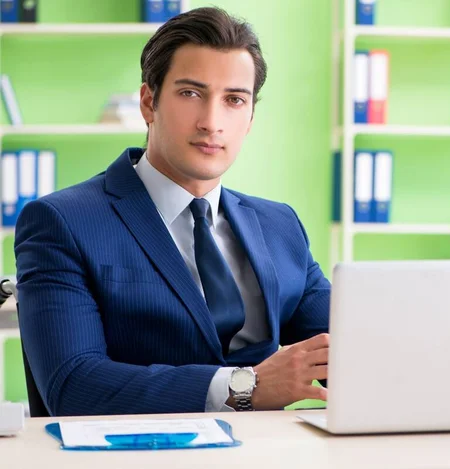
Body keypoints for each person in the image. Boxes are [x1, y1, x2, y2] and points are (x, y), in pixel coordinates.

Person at [14, 6, 330, 416]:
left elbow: (351, 346)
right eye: (191, 93)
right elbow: (73, 384)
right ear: (149, 102)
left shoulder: (279, 225)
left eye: (234, 100)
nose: (212, 122)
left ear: (250, 117)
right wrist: (244, 387)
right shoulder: (62, 222)